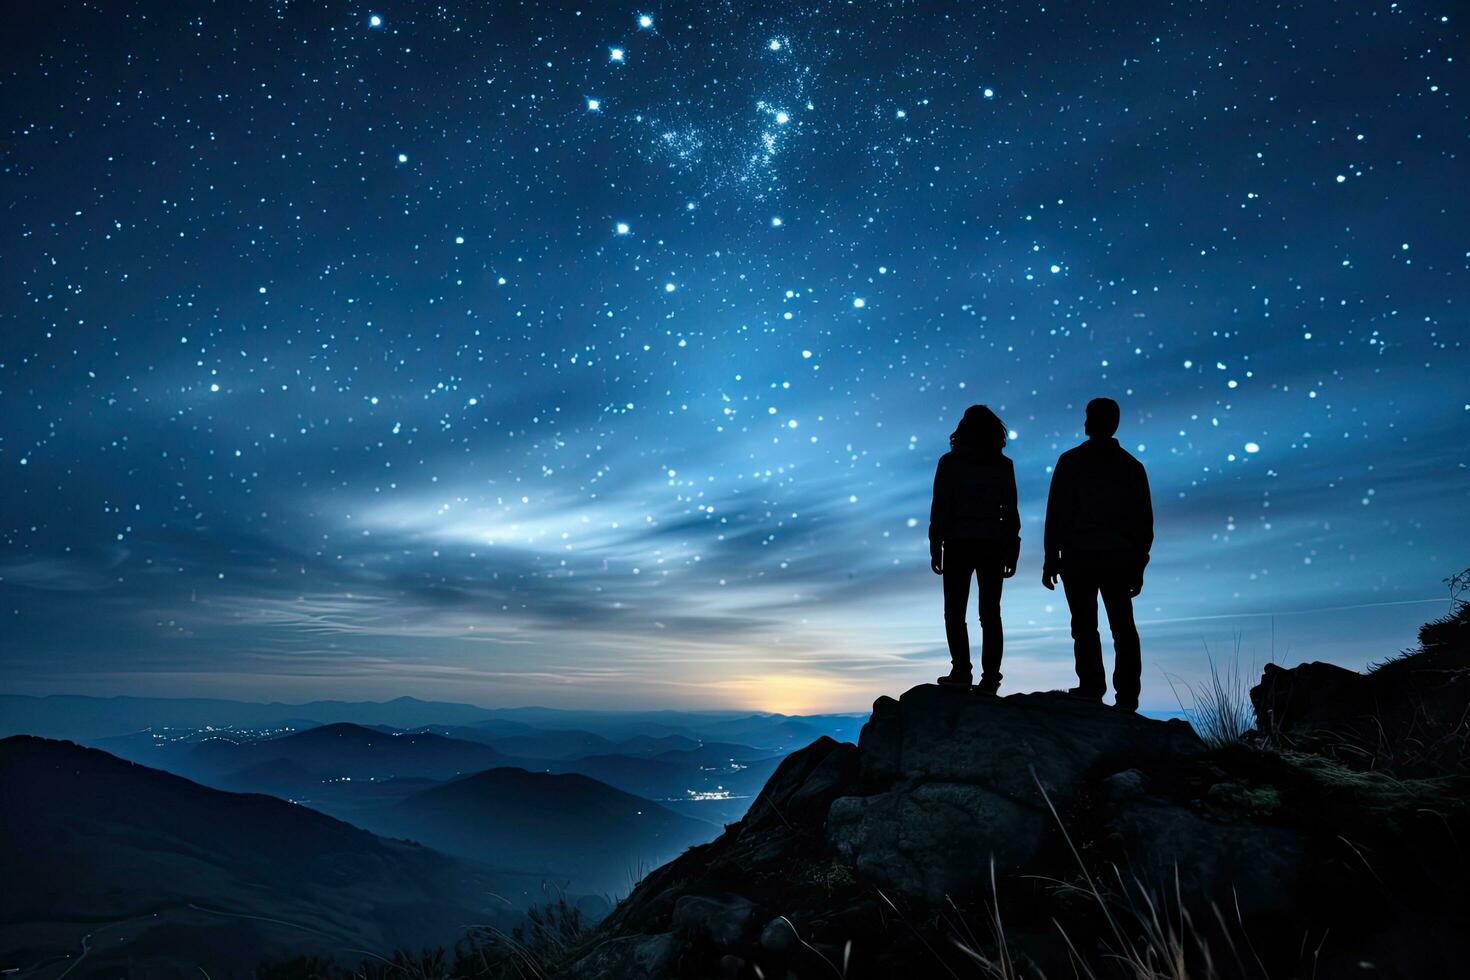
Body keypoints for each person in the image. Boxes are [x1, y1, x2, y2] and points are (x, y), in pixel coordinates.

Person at [1041, 397, 1153, 711]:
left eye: (1090, 416)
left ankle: (1099, 688)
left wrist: (1052, 556)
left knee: (1097, 627)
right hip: (1107, 558)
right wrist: (1138, 563)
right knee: (1115, 627)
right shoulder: (1129, 466)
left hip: (1087, 557)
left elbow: (1057, 514)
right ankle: (1118, 693)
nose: (1086, 421)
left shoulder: (1074, 461)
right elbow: (1143, 523)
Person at [929, 405, 1021, 694]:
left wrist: (935, 543)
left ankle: (962, 670)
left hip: (958, 542)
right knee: (990, 613)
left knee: (955, 612)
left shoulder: (950, 463)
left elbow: (940, 507)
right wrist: (1012, 545)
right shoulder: (1002, 465)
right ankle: (990, 677)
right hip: (992, 542)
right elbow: (1011, 510)